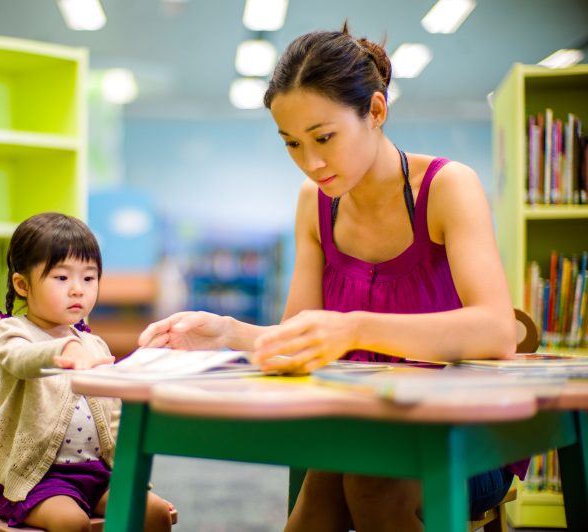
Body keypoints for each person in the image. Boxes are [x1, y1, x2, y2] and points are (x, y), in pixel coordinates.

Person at [138, 24, 520, 532]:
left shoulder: (448, 186)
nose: (310, 163)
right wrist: (229, 334)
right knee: (330, 475)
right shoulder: (313, 204)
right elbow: (301, 336)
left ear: (377, 112)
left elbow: (496, 331)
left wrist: (355, 327)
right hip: (361, 427)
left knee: (366, 478)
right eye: (292, 143)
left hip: (465, 436)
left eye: (324, 137)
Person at [0, 212, 173, 532]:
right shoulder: (13, 332)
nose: (77, 290)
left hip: (97, 474)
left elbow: (112, 410)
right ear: (22, 285)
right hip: (38, 477)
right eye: (62, 278)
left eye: (88, 278)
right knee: (71, 522)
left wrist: (151, 361)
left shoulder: (92, 343)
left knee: (153, 513)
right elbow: (21, 359)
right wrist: (62, 351)